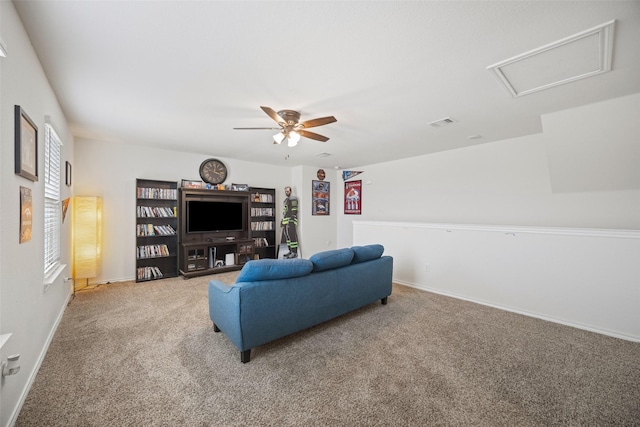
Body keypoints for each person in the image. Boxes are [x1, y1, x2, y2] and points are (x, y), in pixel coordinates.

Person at [281, 186, 299, 258]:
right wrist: (282, 221)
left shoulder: (293, 199)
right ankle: (290, 251)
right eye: (285, 191)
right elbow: (285, 211)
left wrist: (291, 218)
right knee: (287, 237)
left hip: (290, 220)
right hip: (285, 221)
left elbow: (294, 210)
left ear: (291, 191)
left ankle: (294, 252)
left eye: (288, 191)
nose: (286, 192)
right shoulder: (286, 200)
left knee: (292, 236)